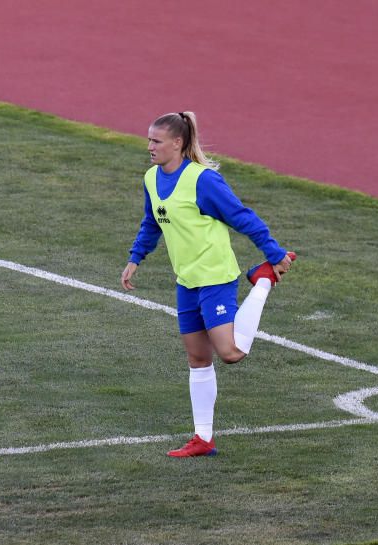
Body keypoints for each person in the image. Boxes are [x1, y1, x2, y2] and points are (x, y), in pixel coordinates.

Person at [121, 111, 295, 458]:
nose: (149, 147)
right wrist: (135, 258)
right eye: (149, 140)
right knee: (198, 358)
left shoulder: (203, 181)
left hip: (215, 276)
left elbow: (241, 216)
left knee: (230, 353)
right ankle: (203, 439)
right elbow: (152, 222)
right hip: (187, 280)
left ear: (178, 143)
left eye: (156, 141)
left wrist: (273, 254)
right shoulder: (152, 179)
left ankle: (261, 282)